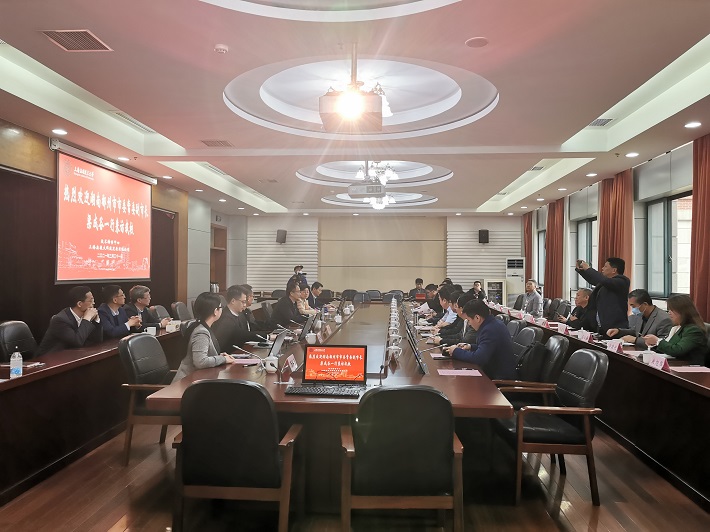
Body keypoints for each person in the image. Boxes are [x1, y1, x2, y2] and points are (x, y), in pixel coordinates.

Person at [442, 300, 515, 379]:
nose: (469, 324)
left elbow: (479, 358)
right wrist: (470, 347)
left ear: (477, 318)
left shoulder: (489, 330)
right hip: (491, 373)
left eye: (469, 320)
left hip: (498, 379)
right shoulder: (493, 324)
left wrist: (455, 351)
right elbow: (488, 348)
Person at [172, 292, 237, 382]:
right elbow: (200, 362)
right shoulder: (201, 332)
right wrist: (223, 359)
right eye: (221, 307)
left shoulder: (199, 326)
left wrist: (218, 357)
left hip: (197, 380)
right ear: (215, 311)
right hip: (187, 383)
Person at [36, 286, 103, 356]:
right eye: (91, 301)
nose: (94, 303)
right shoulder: (60, 320)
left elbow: (97, 341)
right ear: (79, 304)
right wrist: (87, 318)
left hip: (72, 356)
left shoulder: (86, 317)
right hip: (50, 358)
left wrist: (96, 320)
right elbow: (77, 342)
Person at [643, 294, 709, 365]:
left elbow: (678, 350)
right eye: (669, 310)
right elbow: (668, 346)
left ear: (682, 311)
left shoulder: (693, 330)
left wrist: (657, 341)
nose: (669, 313)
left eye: (672, 310)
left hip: (687, 367)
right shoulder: (676, 327)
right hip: (673, 364)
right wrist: (653, 344)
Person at [575, 257, 630, 334]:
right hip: (602, 326)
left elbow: (602, 280)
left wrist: (588, 269)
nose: (602, 268)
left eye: (605, 266)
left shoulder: (622, 281)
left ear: (614, 270)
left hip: (615, 326)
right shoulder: (605, 283)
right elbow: (593, 280)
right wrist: (581, 270)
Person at [607, 289, 673, 347]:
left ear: (645, 304)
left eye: (633, 306)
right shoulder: (640, 314)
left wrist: (635, 340)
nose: (633, 309)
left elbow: (661, 343)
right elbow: (636, 332)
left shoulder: (663, 319)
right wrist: (618, 331)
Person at [212, 284, 261, 349]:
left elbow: (246, 333)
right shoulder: (226, 318)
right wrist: (268, 337)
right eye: (243, 302)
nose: (245, 305)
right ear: (233, 301)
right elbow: (242, 335)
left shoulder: (240, 314)